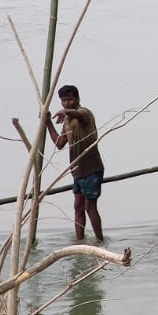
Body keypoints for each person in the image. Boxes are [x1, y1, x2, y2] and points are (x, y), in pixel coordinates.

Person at [45, 85, 105, 242]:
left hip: (91, 168)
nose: (67, 103)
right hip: (77, 171)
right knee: (78, 207)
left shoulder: (84, 113)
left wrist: (67, 112)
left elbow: (77, 114)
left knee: (90, 207)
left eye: (70, 99)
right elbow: (59, 143)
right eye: (63, 101)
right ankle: (80, 241)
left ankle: (100, 241)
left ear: (77, 99)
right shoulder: (67, 121)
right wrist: (48, 123)